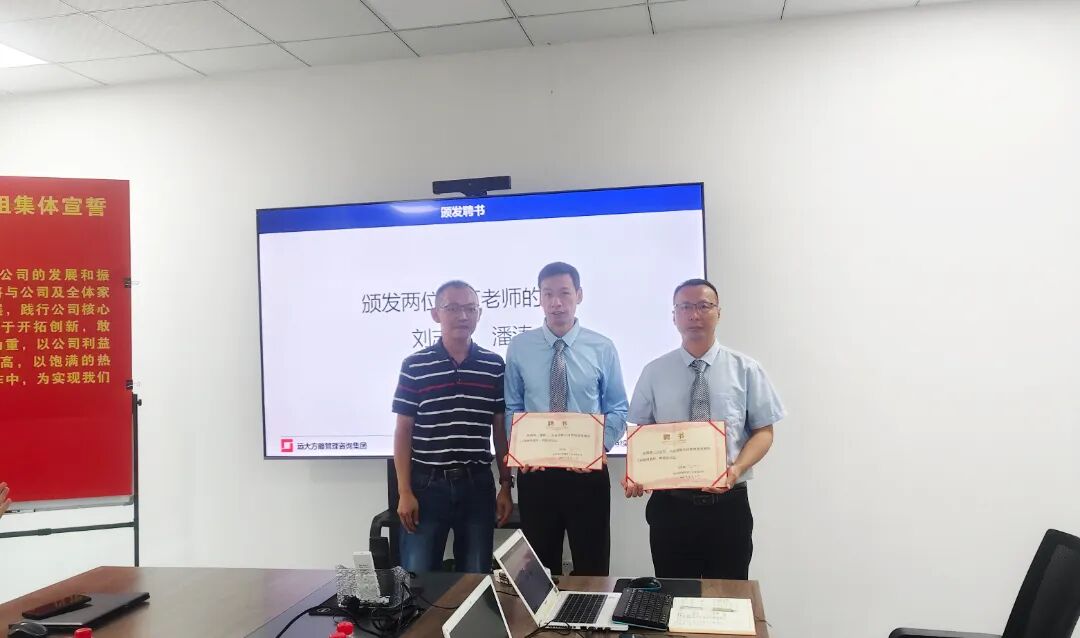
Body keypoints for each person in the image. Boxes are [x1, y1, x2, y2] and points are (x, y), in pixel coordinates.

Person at [624, 278, 786, 580]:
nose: (694, 315)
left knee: (728, 598)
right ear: (674, 316)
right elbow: (642, 432)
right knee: (673, 596)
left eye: (704, 306)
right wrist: (638, 473)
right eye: (685, 307)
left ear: (718, 313)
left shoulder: (746, 369)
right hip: (671, 510)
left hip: (728, 509)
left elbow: (764, 432)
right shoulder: (654, 372)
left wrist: (736, 469)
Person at [505, 262, 628, 576]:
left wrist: (598, 448)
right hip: (537, 474)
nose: (556, 302)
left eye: (564, 293)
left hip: (587, 474)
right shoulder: (520, 347)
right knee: (539, 571)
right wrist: (520, 451)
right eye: (548, 294)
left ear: (579, 295)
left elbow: (618, 408)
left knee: (592, 566)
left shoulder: (602, 347)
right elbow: (512, 406)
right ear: (539, 298)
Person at [392, 280, 514, 572]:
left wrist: (506, 485)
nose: (462, 316)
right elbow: (403, 431)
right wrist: (404, 491)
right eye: (453, 308)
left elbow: (500, 432)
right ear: (436, 314)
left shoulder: (493, 365)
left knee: (475, 576)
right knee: (418, 578)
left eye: (470, 309)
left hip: (477, 486)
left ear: (479, 314)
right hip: (426, 485)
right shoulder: (415, 365)